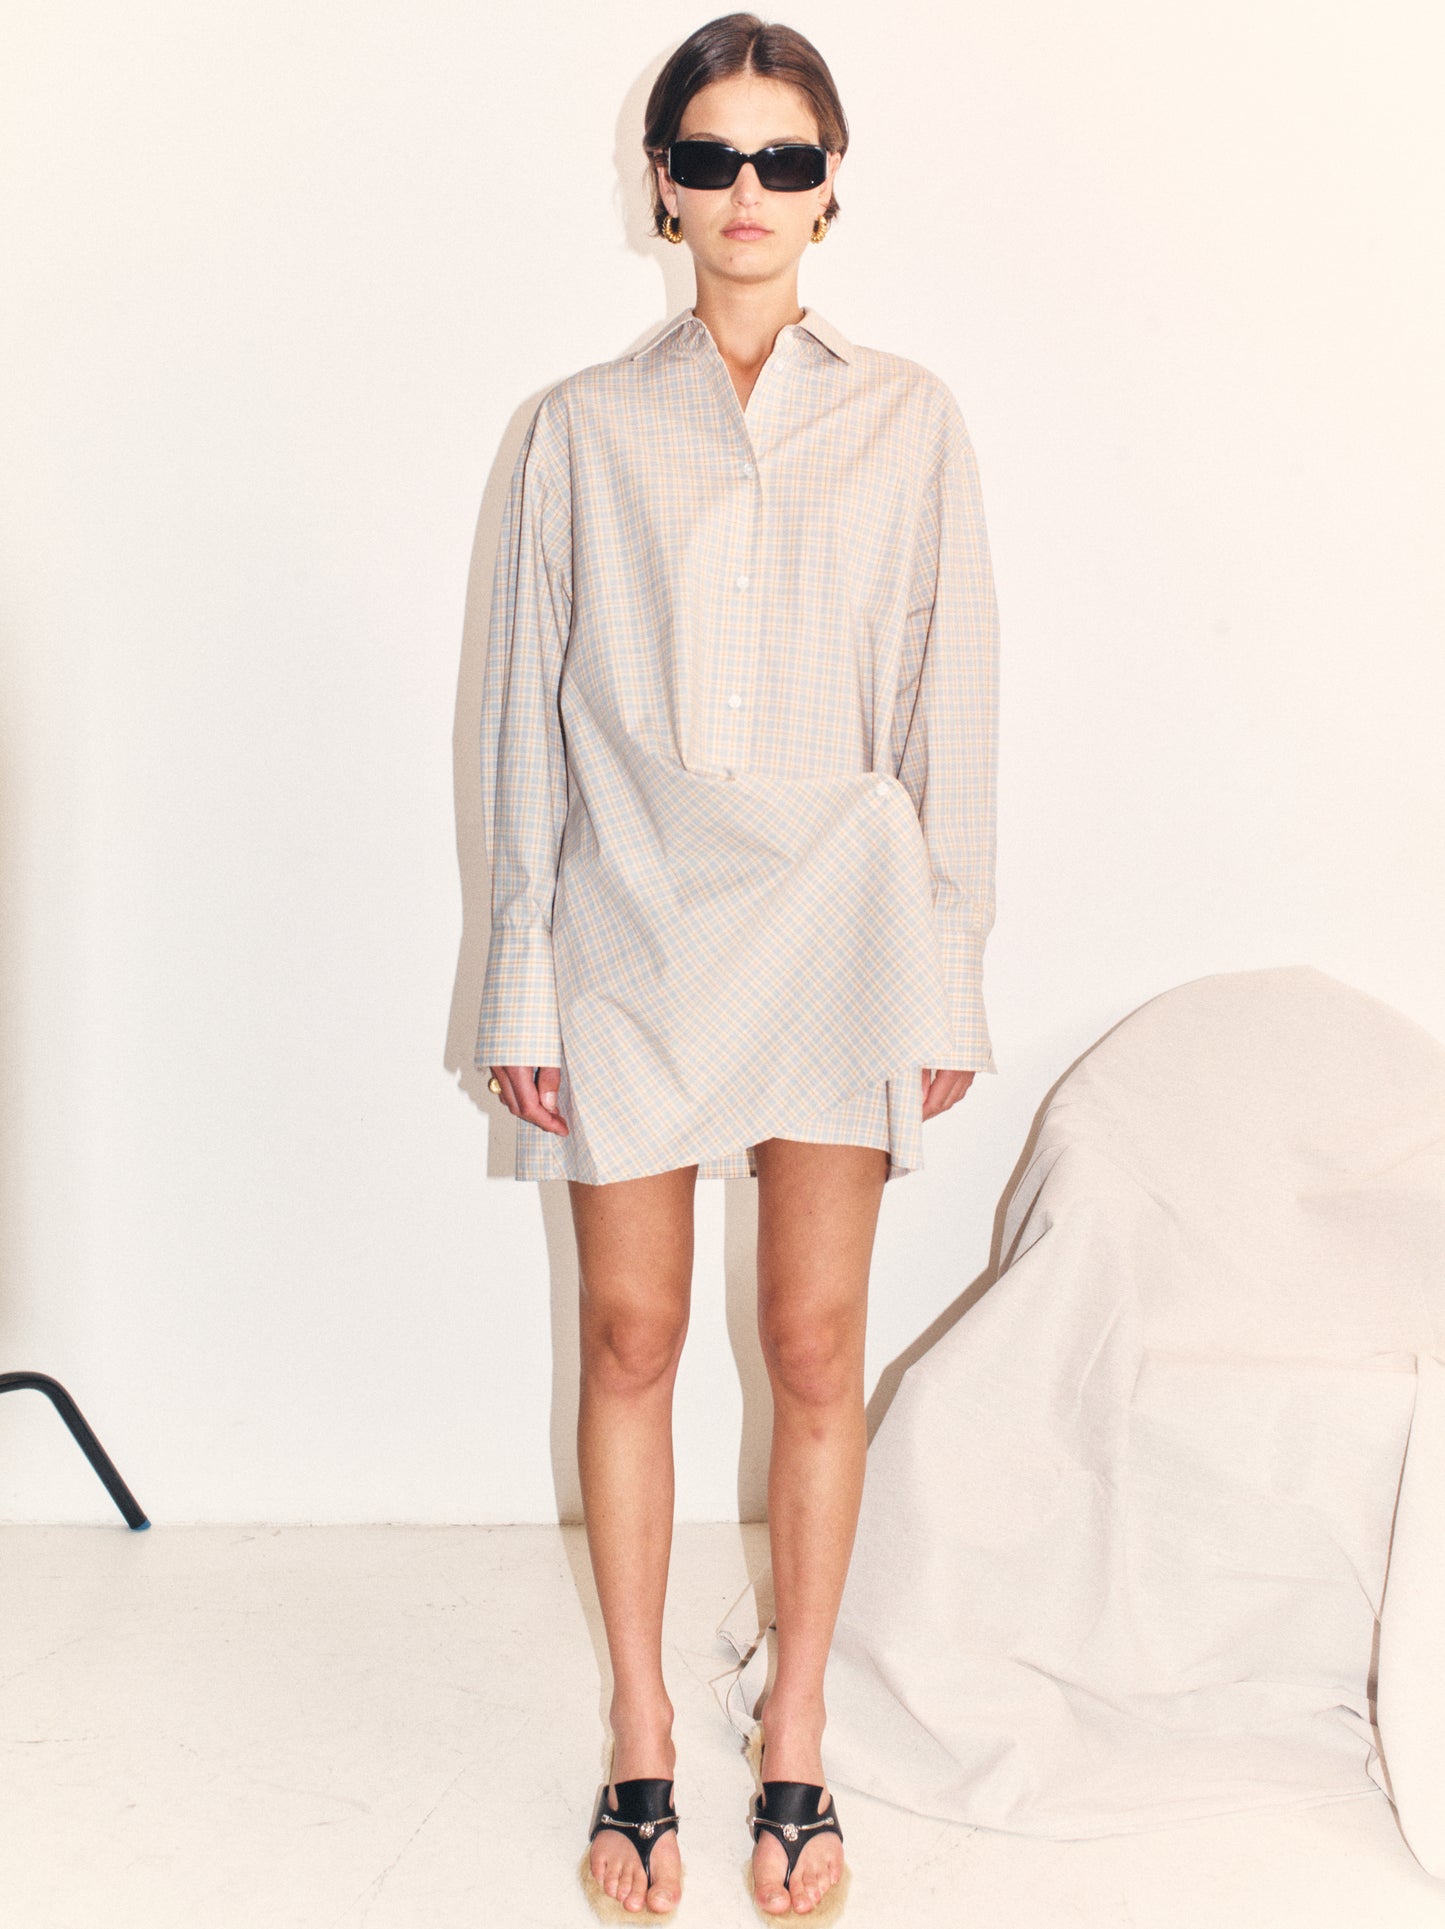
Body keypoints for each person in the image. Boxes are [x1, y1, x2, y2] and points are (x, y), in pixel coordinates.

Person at [475, 12, 1000, 1919]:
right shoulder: (574, 430)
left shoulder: (909, 418)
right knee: (628, 1337)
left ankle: (794, 1734)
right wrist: (521, 970)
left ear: (831, 183)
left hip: (841, 924)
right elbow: (520, 716)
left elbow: (951, 703)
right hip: (629, 919)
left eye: (784, 157)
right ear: (663, 188)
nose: (747, 191)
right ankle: (637, 1733)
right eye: (712, 157)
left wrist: (948, 959)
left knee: (811, 1346)